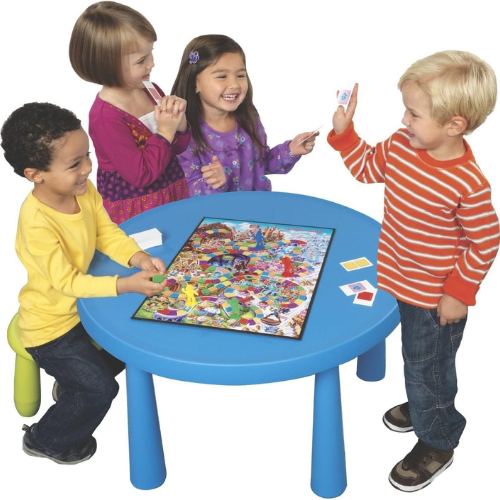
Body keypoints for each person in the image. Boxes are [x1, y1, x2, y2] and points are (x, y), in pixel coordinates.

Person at [327, 51, 499, 492]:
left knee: (429, 368)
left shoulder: (468, 183)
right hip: (399, 278)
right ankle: (426, 405)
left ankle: (438, 439)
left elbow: (486, 240)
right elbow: (367, 167)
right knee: (419, 363)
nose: (404, 120)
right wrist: (345, 134)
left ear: (454, 125)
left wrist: (458, 293)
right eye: (406, 110)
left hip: (435, 298)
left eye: (414, 114)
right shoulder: (402, 145)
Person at [1, 102, 168, 464]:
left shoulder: (82, 190)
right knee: (100, 390)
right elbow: (68, 283)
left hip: (83, 310)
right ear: (35, 174)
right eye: (75, 164)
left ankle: (73, 388)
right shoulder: (36, 223)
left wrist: (137, 257)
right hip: (50, 328)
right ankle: (45, 439)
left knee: (128, 348)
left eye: (87, 156)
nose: (88, 169)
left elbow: (105, 232)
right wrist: (125, 285)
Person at [70, 1, 189, 223]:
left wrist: (179, 123)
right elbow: (141, 174)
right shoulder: (105, 117)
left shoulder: (151, 90)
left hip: (171, 192)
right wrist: (165, 132)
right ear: (108, 65)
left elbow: (178, 148)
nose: (152, 64)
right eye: (141, 60)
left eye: (151, 53)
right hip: (137, 207)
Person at [171, 34, 317, 196]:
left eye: (240, 75)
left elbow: (262, 163)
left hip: (257, 207)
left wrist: (291, 150)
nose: (234, 84)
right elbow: (186, 191)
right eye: (222, 76)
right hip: (217, 212)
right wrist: (213, 182)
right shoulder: (184, 134)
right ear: (194, 83)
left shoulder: (248, 118)